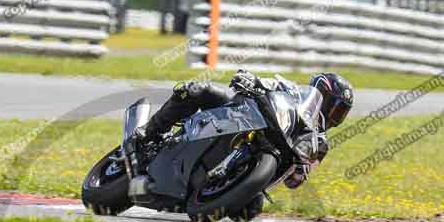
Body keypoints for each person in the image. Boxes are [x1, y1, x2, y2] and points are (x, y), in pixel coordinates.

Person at [124, 70, 354, 189]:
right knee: (196, 90)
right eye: (334, 106)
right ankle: (147, 134)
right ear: (320, 94)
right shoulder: (293, 91)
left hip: (265, 161)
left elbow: (294, 181)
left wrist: (301, 172)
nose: (335, 115)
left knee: (250, 210)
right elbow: (268, 84)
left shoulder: (320, 143)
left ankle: (214, 187)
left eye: (340, 112)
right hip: (243, 114)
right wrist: (250, 79)